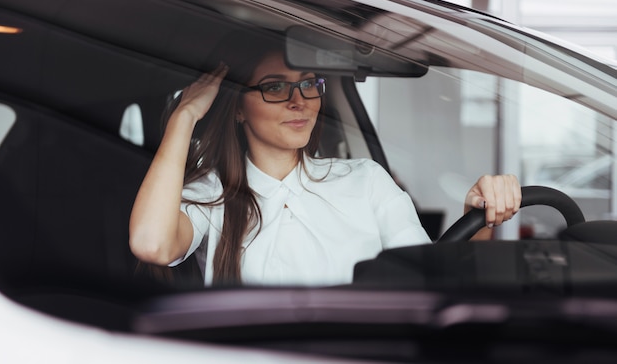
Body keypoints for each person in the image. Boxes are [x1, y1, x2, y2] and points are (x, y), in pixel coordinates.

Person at [129, 30, 521, 287]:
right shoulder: (211, 194)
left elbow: (435, 280)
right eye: (276, 87)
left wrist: (477, 216)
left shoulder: (366, 180)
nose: (298, 100)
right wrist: (185, 117)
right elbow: (152, 245)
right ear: (238, 109)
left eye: (309, 84)